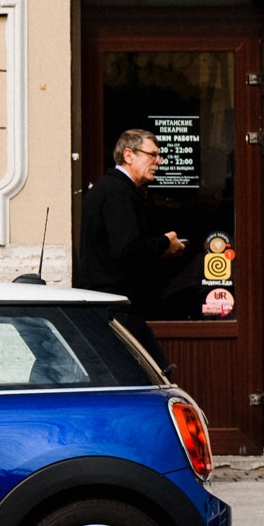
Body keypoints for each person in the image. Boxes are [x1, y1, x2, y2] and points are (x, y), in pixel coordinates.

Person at [76, 129, 188, 358]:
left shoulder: (108, 188)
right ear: (128, 155)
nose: (159, 161)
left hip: (110, 307)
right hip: (118, 309)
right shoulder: (118, 192)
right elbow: (128, 251)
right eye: (152, 155)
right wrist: (165, 243)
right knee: (152, 372)